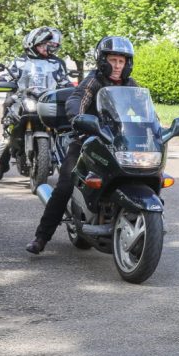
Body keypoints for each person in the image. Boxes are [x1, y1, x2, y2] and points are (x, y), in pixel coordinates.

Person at [26, 36, 138, 254]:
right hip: (89, 139)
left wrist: (155, 126)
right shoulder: (94, 80)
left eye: (121, 62)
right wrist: (79, 118)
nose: (116, 66)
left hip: (119, 144)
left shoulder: (131, 86)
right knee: (66, 183)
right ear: (103, 61)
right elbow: (78, 99)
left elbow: (140, 110)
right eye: (113, 60)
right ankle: (42, 237)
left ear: (127, 64)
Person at [0, 26, 70, 182]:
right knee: (7, 136)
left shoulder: (57, 63)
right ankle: (1, 164)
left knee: (65, 133)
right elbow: (6, 77)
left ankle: (66, 167)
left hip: (47, 103)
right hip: (21, 102)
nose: (48, 49)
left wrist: (69, 89)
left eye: (51, 46)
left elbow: (64, 81)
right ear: (34, 43)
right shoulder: (20, 62)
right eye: (45, 45)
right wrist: (2, 82)